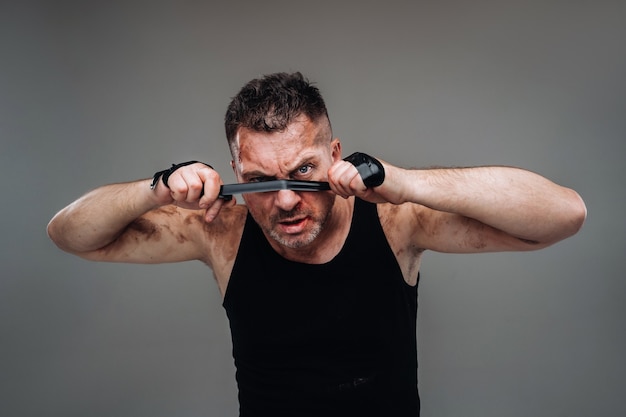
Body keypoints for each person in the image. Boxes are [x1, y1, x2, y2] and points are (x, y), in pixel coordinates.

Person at [47, 71, 587, 417]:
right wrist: (157, 189)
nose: (284, 201)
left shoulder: (397, 221)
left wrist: (405, 182)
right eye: (259, 180)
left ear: (334, 155)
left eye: (304, 171)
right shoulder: (220, 230)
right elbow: (70, 235)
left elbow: (563, 215)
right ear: (234, 171)